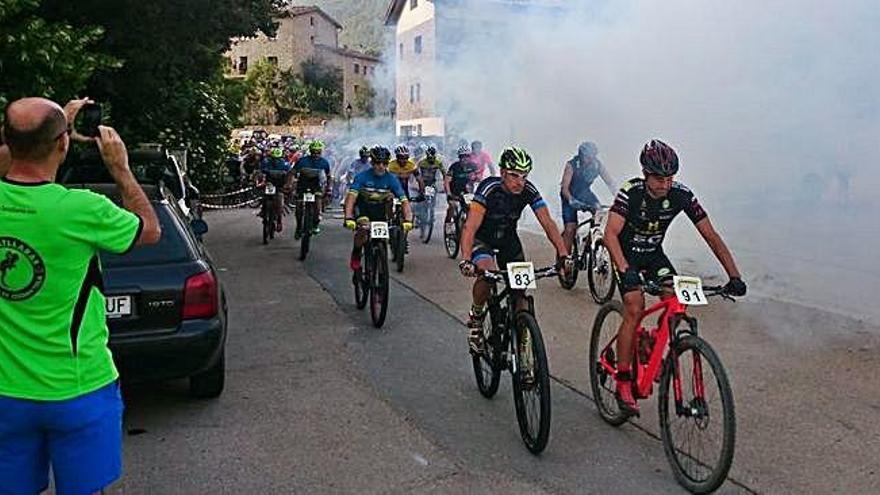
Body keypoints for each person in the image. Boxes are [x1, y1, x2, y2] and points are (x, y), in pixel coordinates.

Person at [0, 97, 161, 494]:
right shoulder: (82, 209)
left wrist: (56, 125)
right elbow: (150, 230)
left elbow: (13, 158)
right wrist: (120, 168)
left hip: (7, 393)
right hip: (79, 388)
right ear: (63, 145)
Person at [604, 139, 747, 416]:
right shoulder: (630, 192)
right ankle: (622, 380)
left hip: (654, 256)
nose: (665, 184)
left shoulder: (681, 194)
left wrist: (734, 275)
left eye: (670, 178)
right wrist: (624, 269)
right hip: (626, 255)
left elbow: (711, 235)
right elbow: (610, 234)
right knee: (635, 308)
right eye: (658, 178)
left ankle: (653, 342)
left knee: (678, 305)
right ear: (645, 174)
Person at [457, 147, 571, 354]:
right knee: (487, 272)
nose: (520, 182)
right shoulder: (489, 188)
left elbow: (548, 223)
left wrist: (564, 255)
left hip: (508, 240)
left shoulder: (528, 190)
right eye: (514, 175)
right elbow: (471, 226)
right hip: (483, 239)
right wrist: (466, 259)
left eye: (524, 176)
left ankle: (524, 344)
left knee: (521, 293)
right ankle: (476, 317)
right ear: (502, 173)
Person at [343, 146, 413, 270]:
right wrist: (348, 216)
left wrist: (408, 219)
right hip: (363, 207)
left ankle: (380, 256)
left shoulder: (391, 179)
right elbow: (351, 198)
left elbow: (404, 201)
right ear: (372, 163)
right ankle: (356, 254)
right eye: (377, 163)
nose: (381, 166)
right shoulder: (362, 177)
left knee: (383, 236)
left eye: (384, 163)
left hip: (379, 209)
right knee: (363, 230)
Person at [559, 141, 617, 255]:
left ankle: (590, 239)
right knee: (571, 228)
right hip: (569, 196)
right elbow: (564, 188)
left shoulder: (597, 165)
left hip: (585, 193)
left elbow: (610, 183)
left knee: (599, 212)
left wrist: (619, 197)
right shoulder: (571, 165)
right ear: (581, 155)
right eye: (587, 157)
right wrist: (571, 200)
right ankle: (564, 260)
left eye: (592, 157)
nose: (590, 160)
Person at [292, 140, 332, 238]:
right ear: (310, 151)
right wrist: (289, 184)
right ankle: (298, 227)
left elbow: (329, 177)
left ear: (321, 152)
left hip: (316, 186)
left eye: (318, 152)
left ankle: (315, 224)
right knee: (299, 208)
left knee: (318, 207)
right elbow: (292, 173)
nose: (316, 154)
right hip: (303, 185)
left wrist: (329, 189)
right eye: (314, 152)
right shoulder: (302, 161)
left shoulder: (324, 162)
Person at [258, 145, 292, 232]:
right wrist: (260, 182)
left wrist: (288, 184)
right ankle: (263, 210)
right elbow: (260, 173)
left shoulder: (285, 164)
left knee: (280, 201)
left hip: (280, 186)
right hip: (268, 184)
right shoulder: (266, 162)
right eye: (274, 158)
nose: (275, 160)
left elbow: (290, 175)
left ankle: (279, 221)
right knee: (263, 197)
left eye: (277, 158)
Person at [444, 144, 479, 225]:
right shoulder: (454, 167)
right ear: (459, 158)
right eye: (462, 157)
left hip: (467, 192)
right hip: (454, 192)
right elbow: (447, 181)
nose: (465, 159)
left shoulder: (473, 166)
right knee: (452, 207)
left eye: (467, 156)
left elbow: (478, 179)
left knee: (472, 209)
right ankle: (448, 225)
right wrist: (449, 194)